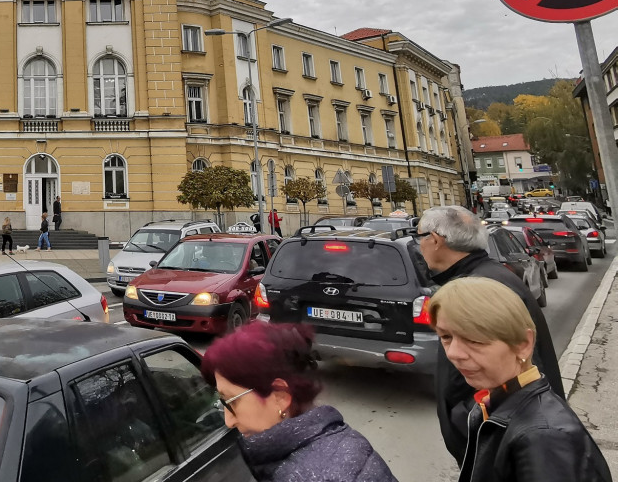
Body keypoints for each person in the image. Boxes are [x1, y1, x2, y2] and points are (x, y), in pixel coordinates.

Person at [415, 205, 563, 462]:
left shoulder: (477, 289)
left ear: (436, 240)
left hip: (503, 446)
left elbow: (517, 367)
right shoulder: (485, 277)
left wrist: (467, 421)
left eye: (420, 237)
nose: (419, 246)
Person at [430, 277, 611, 481]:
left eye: (473, 339)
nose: (454, 353)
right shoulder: (495, 403)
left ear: (524, 344)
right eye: (445, 337)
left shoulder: (543, 438)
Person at [201, 322, 398, 481]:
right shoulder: (339, 441)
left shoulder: (314, 475)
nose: (229, 421)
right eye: (222, 404)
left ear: (280, 396)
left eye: (231, 402)